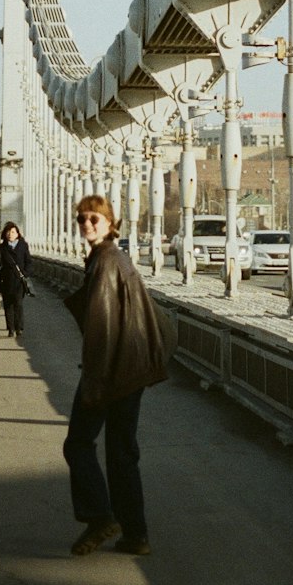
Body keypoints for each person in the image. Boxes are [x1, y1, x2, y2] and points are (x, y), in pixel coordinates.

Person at [62, 194, 171, 558]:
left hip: (112, 370)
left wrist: (95, 382)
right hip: (131, 368)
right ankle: (136, 535)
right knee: (122, 453)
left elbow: (102, 327)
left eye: (94, 218)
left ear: (110, 223)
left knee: (78, 443)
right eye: (81, 218)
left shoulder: (106, 262)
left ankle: (100, 517)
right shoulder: (110, 258)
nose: (86, 224)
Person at [0, 221, 33, 340]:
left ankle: (19, 327)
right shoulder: (1, 248)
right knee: (7, 305)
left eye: (13, 232)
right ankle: (11, 328)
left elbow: (28, 261)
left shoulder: (23, 245)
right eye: (8, 232)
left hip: (19, 280)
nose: (10, 234)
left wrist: (25, 273)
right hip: (5, 280)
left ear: (18, 234)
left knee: (18, 303)